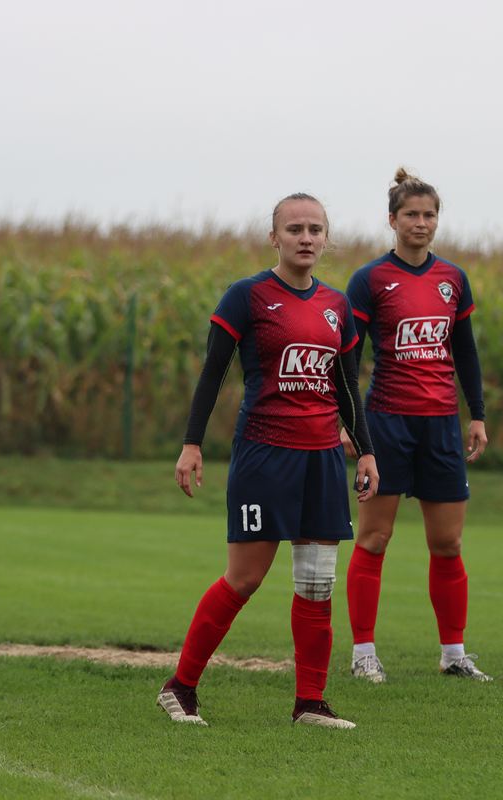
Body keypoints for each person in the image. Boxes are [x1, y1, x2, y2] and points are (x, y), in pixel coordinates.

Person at [157, 193, 379, 729]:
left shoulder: (336, 305)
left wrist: (366, 449)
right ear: (273, 237)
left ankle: (310, 704)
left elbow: (346, 386)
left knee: (317, 582)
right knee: (245, 578)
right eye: (295, 228)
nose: (306, 238)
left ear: (327, 238)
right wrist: (192, 443)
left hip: (323, 457)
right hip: (264, 456)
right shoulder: (247, 296)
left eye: (316, 229)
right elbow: (213, 373)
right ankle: (180, 689)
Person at [342, 168, 491, 683]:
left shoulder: (453, 279)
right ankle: (364, 654)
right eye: (411, 215)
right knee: (374, 539)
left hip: (442, 428)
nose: (421, 223)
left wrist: (477, 415)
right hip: (386, 425)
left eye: (429, 214)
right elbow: (348, 358)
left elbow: (465, 352)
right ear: (393, 220)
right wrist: (351, 424)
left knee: (447, 545)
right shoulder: (370, 280)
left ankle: (453, 654)